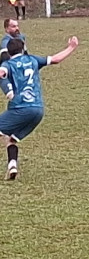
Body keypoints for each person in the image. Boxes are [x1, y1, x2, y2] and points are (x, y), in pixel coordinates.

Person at [0, 35, 79, 180]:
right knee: (11, 139)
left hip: (20, 108)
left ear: (9, 52)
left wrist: (8, 88)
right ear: (23, 49)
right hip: (38, 110)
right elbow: (55, 59)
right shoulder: (33, 59)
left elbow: (2, 73)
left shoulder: (8, 64)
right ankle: (12, 166)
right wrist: (71, 47)